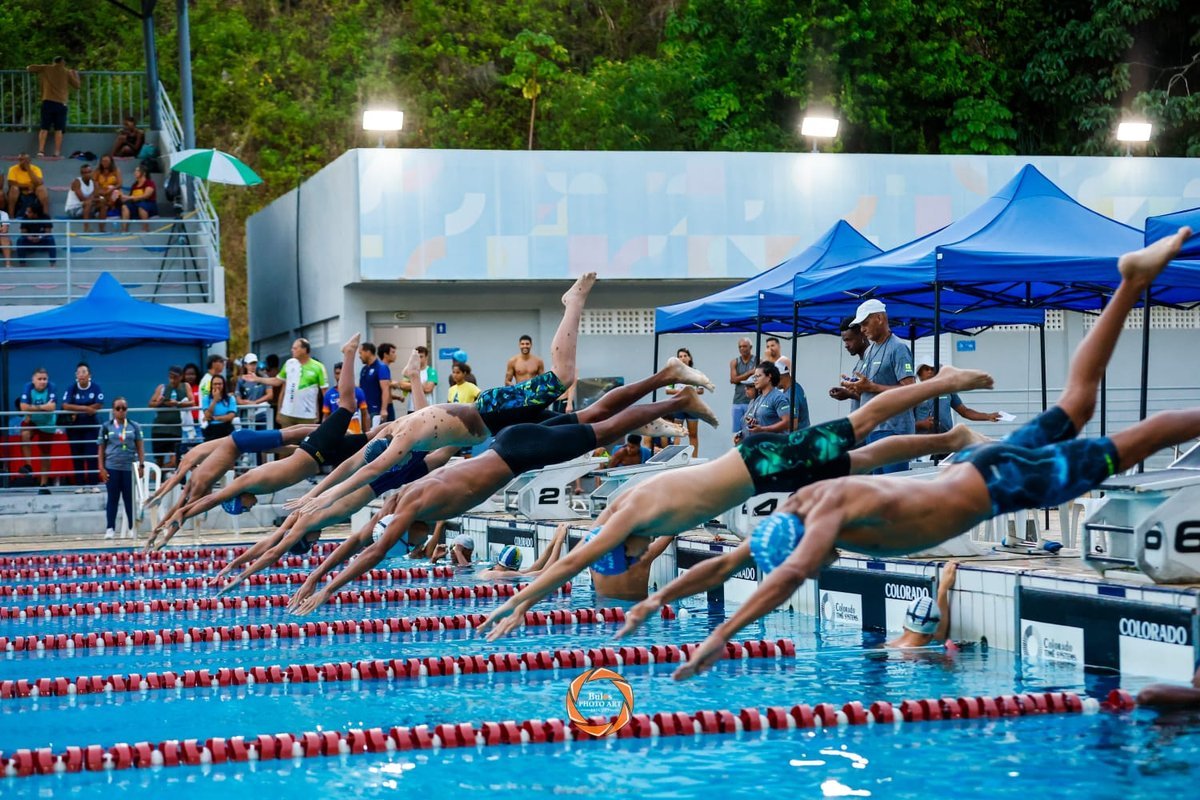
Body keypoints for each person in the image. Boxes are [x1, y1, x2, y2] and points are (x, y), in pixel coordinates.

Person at [658, 227, 1200, 680]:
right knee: (1076, 404)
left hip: (1001, 484)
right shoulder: (816, 494)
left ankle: (1132, 281)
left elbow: (779, 578)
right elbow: (736, 559)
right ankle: (1130, 283)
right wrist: (654, 609)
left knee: (1135, 439)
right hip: (977, 469)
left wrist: (718, 640)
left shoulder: (827, 520)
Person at [475, 365, 992, 636]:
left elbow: (578, 558)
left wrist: (521, 601)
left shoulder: (630, 514)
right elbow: (582, 552)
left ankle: (945, 383)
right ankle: (952, 440)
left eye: (632, 554)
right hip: (759, 471)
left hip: (760, 464)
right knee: (860, 459)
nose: (638, 556)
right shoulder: (628, 509)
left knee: (861, 425)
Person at [286, 375, 718, 614]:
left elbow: (372, 552)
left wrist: (327, 590)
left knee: (606, 427)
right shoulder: (400, 500)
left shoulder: (409, 506)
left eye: (412, 543)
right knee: (596, 414)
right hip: (506, 443)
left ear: (405, 533)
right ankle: (667, 383)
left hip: (517, 452)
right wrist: (312, 578)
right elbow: (359, 542)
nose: (419, 545)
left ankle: (676, 398)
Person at [146, 334, 370, 549]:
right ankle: (392, 428)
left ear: (237, 499)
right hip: (315, 455)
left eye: (243, 508)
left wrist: (173, 517)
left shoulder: (238, 483)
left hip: (268, 445)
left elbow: (200, 498)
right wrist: (166, 521)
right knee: (363, 441)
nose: (249, 508)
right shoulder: (245, 483)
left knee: (339, 410)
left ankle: (348, 355)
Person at [144, 424, 317, 530]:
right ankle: (320, 438)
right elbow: (181, 505)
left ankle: (328, 430)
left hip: (241, 442)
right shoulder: (196, 478)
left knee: (292, 434)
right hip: (241, 442)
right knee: (288, 438)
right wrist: (160, 527)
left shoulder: (193, 472)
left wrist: (156, 497)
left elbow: (182, 501)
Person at [841, 299, 916, 473]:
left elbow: (910, 390)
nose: (862, 329)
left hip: (894, 430)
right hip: (873, 430)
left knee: (893, 490)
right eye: (860, 325)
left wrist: (872, 387)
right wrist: (855, 388)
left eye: (865, 323)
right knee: (879, 491)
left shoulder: (898, 348)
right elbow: (869, 387)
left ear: (880, 318)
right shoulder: (869, 350)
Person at [248, 338, 328, 427]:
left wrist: (324, 414)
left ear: (304, 350)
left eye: (295, 348)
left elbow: (325, 393)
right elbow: (277, 381)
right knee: (286, 440)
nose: (292, 350)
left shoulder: (319, 367)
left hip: (307, 415)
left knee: (304, 440)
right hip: (287, 414)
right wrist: (257, 379)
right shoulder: (289, 363)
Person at [98, 398, 144, 540]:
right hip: (112, 467)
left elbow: (140, 447)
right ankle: (110, 528)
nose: (121, 411)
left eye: (124, 408)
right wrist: (101, 468)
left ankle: (131, 528)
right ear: (113, 410)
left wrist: (141, 465)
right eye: (118, 408)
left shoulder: (134, 426)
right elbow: (101, 449)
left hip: (129, 468)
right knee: (113, 499)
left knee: (129, 499)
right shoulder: (106, 427)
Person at [914, 361, 1002, 433]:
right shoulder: (913, 393)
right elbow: (904, 422)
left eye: (933, 369)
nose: (930, 371)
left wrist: (988, 416)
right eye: (926, 369)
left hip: (945, 441)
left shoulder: (947, 390)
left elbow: (965, 412)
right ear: (919, 374)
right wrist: (921, 424)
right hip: (923, 445)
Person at [883, 562, 957, 648]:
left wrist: (942, 590)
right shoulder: (922, 655)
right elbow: (938, 636)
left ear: (903, 626)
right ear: (930, 636)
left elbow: (936, 634)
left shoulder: (884, 646)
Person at [478, 524, 574, 580]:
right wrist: (560, 541)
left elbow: (533, 569)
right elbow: (544, 573)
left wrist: (554, 539)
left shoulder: (489, 570)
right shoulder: (505, 575)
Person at [26, 57, 80, 158]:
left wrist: (41, 67)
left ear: (54, 62)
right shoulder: (67, 72)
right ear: (63, 62)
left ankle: (41, 151)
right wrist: (75, 74)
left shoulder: (47, 68)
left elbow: (29, 68)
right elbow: (77, 85)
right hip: (61, 103)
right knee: (59, 129)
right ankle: (57, 152)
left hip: (47, 101)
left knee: (44, 128)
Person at [61, 362, 104, 488]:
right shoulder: (72, 388)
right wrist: (85, 408)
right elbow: (65, 405)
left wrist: (77, 409)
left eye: (84, 372)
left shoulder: (96, 387)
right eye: (78, 372)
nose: (81, 375)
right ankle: (79, 485)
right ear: (76, 375)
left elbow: (99, 404)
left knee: (91, 454)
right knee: (77, 455)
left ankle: (93, 484)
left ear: (89, 375)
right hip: (75, 428)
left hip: (91, 427)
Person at [18, 368, 58, 492]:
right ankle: (28, 465)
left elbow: (52, 407)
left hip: (47, 423)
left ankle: (43, 484)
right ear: (33, 380)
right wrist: (42, 407)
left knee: (45, 453)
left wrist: (33, 408)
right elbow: (23, 407)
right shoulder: (28, 387)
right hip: (32, 421)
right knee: (24, 434)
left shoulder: (52, 387)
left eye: (45, 379)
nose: (42, 382)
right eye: (39, 379)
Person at [734, 361, 791, 443]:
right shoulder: (758, 399)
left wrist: (762, 429)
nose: (755, 380)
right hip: (759, 446)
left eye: (758, 376)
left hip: (773, 447)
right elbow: (761, 422)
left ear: (769, 377)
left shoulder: (778, 397)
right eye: (754, 377)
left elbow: (787, 422)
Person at [148, 366, 193, 468]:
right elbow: (150, 403)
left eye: (175, 377)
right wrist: (159, 402)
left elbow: (192, 402)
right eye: (170, 377)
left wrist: (178, 404)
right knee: (159, 459)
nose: (172, 380)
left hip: (175, 429)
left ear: (181, 377)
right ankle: (159, 479)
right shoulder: (162, 388)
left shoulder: (185, 386)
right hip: (159, 429)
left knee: (175, 460)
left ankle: (158, 473)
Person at [665, 347, 703, 456]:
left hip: (692, 406)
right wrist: (681, 391)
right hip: (678, 405)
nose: (683, 358)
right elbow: (668, 390)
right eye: (680, 356)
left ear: (689, 358)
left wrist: (691, 391)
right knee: (677, 432)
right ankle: (675, 457)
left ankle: (694, 458)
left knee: (693, 433)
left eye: (685, 356)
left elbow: (701, 390)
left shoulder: (696, 373)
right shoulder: (674, 373)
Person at [829, 319, 869, 408]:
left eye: (849, 340)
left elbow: (878, 399)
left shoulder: (876, 362)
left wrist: (850, 394)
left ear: (862, 335)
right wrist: (848, 390)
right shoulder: (858, 365)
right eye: (844, 341)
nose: (846, 345)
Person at [322, 362, 369, 434]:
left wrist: (367, 434)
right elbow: (326, 417)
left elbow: (364, 414)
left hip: (354, 434)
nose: (339, 376)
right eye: (337, 373)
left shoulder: (358, 392)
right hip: (336, 434)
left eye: (342, 373)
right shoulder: (329, 394)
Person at [235, 353, 274, 434]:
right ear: (245, 365)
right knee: (248, 439)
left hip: (262, 414)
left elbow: (270, 395)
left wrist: (255, 402)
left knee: (263, 437)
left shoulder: (264, 377)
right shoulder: (240, 380)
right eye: (250, 364)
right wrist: (248, 403)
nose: (253, 366)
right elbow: (238, 399)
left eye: (254, 363)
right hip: (246, 415)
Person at [6, 154, 50, 219]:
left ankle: (46, 218)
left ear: (29, 161)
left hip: (33, 191)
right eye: (21, 160)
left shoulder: (36, 169)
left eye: (25, 160)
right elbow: (11, 183)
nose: (23, 162)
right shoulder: (13, 169)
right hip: (19, 190)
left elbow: (39, 182)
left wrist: (28, 169)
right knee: (14, 188)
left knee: (42, 189)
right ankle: (11, 217)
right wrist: (27, 186)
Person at [358, 342, 391, 425]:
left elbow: (385, 389)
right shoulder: (364, 369)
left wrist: (384, 409)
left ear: (368, 352)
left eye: (360, 353)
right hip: (365, 410)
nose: (359, 356)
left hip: (376, 410)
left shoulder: (381, 367)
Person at [729, 337, 756, 436]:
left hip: (753, 402)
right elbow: (733, 380)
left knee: (752, 430)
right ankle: (738, 451)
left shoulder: (757, 361)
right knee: (738, 433)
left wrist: (740, 378)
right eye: (740, 347)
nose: (742, 349)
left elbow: (758, 379)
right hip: (738, 401)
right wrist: (750, 372)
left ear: (751, 347)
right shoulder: (735, 362)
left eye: (745, 346)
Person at [396, 345, 437, 410]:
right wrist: (422, 385)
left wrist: (411, 385)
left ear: (426, 357)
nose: (419, 359)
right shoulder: (410, 371)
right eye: (417, 357)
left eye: (421, 357)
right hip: (412, 408)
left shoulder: (431, 371)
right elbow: (402, 385)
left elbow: (428, 388)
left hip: (426, 407)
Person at [119, 164, 157, 231]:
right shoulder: (134, 185)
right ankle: (124, 230)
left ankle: (145, 228)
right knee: (124, 207)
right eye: (135, 171)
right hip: (135, 204)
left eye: (137, 171)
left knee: (142, 206)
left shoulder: (149, 183)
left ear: (144, 173)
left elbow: (146, 195)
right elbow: (130, 198)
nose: (135, 172)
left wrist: (129, 197)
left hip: (148, 204)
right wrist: (121, 196)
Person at [201, 374, 237, 441]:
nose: (217, 386)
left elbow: (230, 416)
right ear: (211, 385)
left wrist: (214, 418)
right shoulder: (206, 399)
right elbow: (207, 415)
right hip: (211, 430)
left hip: (226, 428)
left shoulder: (230, 398)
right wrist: (215, 400)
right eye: (215, 384)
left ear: (223, 385)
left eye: (220, 384)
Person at [64, 162, 97, 231]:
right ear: (81, 174)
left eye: (89, 172)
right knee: (88, 203)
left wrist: (97, 199)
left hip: (85, 207)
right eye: (85, 172)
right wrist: (94, 199)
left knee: (103, 203)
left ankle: (102, 229)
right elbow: (82, 199)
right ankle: (86, 229)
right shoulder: (77, 182)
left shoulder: (94, 182)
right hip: (73, 209)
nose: (87, 174)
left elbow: (95, 194)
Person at [93, 154, 123, 222]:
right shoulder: (97, 171)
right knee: (99, 196)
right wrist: (102, 192)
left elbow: (119, 184)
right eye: (103, 161)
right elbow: (95, 185)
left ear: (111, 162)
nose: (104, 163)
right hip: (101, 192)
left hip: (112, 191)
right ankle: (103, 210)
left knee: (115, 191)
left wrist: (111, 190)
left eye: (106, 161)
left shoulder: (116, 170)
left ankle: (111, 208)